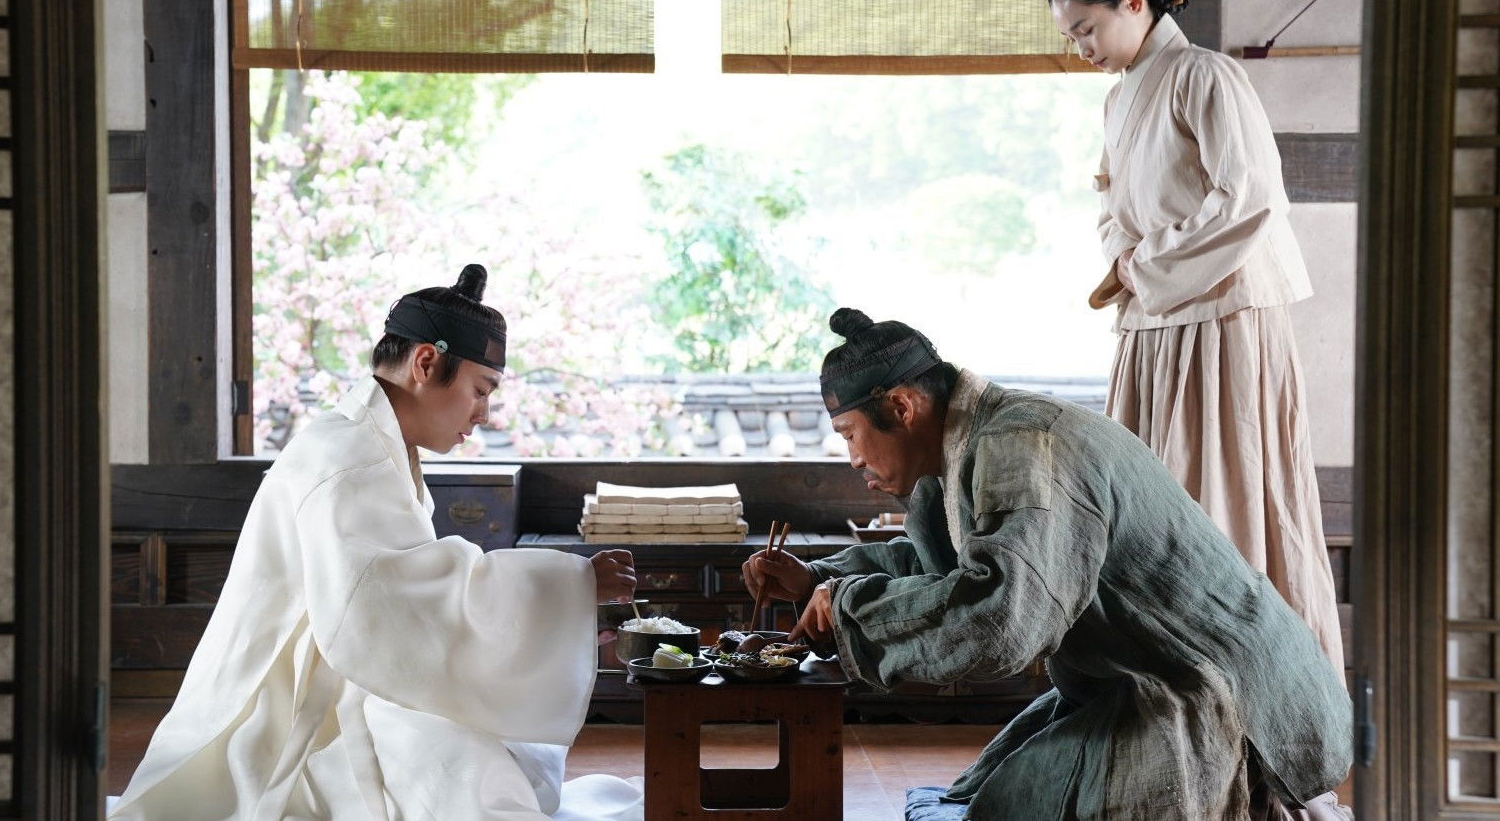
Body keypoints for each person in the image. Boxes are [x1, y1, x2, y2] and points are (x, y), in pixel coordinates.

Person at [744, 309, 1351, 820]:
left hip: (1209, 690)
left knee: (1021, 806)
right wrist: (817, 579)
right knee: (995, 791)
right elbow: (946, 562)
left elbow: (1001, 612)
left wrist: (852, 609)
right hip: (1134, 676)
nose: (852, 458)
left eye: (849, 434)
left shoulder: (1024, 446)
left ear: (901, 407)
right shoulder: (965, 448)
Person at [110, 265, 643, 820]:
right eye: (481, 390)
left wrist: (560, 606)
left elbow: (405, 596)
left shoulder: (362, 438)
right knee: (467, 773)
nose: (484, 414)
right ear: (426, 363)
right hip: (300, 705)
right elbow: (389, 605)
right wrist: (570, 586)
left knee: (492, 760)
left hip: (353, 666)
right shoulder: (350, 459)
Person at [1047, 0, 1345, 678]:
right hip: (1152, 317)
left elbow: (1248, 197)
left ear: (1133, 4)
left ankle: (1255, 685)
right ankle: (1166, 687)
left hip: (1220, 314)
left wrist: (1145, 264)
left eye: (1087, 29)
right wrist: (1128, 261)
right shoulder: (1120, 97)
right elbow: (1116, 210)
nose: (1082, 49)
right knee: (1149, 500)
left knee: (1224, 494)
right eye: (1072, 37)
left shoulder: (1205, 75)